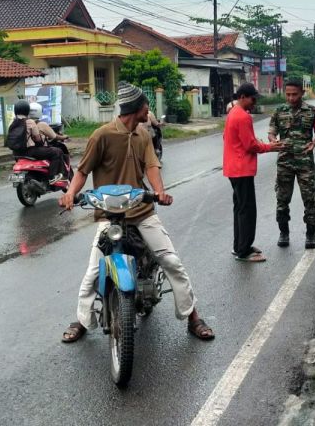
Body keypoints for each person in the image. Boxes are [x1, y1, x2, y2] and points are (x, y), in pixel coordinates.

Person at [59, 81, 214, 343]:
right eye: (145, 105)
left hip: (141, 211)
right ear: (137, 108)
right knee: (94, 272)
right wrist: (70, 194)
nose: (148, 109)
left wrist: (159, 191)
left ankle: (193, 317)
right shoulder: (102, 135)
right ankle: (84, 320)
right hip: (110, 215)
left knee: (171, 262)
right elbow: (83, 171)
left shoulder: (144, 135)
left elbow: (152, 167)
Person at [224, 83, 284, 262]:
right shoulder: (243, 117)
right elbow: (250, 145)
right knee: (247, 210)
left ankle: (240, 246)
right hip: (241, 169)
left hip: (233, 168)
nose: (254, 102)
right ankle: (244, 251)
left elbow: (231, 138)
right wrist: (270, 147)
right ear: (242, 96)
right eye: (252, 98)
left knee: (240, 209)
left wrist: (256, 142)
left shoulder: (233, 113)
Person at [269, 78, 315, 249]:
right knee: (282, 199)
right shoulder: (278, 111)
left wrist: (314, 143)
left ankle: (310, 235)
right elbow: (272, 133)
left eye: (294, 94)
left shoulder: (313, 111)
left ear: (302, 93)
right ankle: (283, 233)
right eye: (288, 95)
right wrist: (273, 142)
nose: (291, 98)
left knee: (309, 198)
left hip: (305, 162)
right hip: (284, 161)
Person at [10, 100, 63, 184]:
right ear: (27, 110)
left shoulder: (12, 123)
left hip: (16, 153)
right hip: (29, 152)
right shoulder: (30, 122)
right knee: (57, 152)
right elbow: (37, 138)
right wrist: (40, 144)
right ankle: (52, 177)